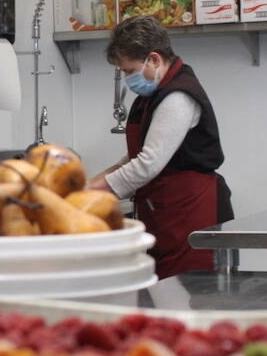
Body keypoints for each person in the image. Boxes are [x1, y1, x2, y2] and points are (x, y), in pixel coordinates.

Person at [87, 15, 233, 279]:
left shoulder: (178, 96)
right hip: (164, 214)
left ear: (153, 59)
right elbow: (136, 156)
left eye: (130, 70)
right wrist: (91, 185)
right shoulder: (153, 93)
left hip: (190, 215)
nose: (128, 78)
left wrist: (91, 194)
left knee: (190, 300)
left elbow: (147, 164)